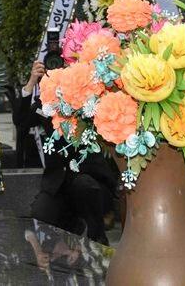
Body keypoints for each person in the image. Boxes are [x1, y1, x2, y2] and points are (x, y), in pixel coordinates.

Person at [18, 60, 120, 243]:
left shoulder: (87, 99)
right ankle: (65, 243)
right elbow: (21, 122)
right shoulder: (46, 104)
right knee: (40, 212)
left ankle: (97, 239)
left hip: (90, 179)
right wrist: (31, 83)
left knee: (84, 187)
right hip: (57, 183)